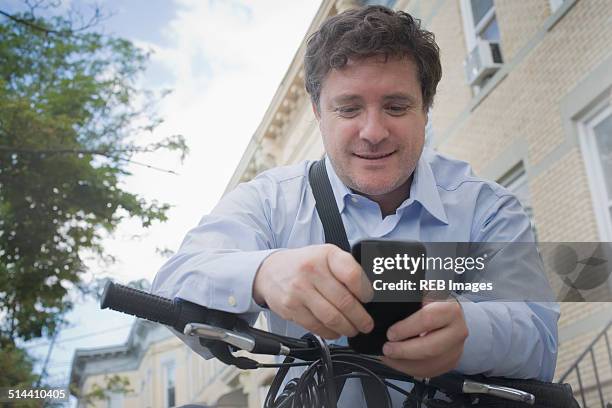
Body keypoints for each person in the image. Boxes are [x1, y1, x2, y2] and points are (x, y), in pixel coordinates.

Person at [152, 5, 558, 405]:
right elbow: (175, 281)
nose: (373, 132)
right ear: (317, 113)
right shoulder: (270, 200)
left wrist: (468, 331)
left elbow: (540, 340)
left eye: (396, 107)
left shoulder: (488, 207)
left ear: (426, 109)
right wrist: (263, 273)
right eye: (348, 109)